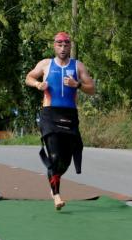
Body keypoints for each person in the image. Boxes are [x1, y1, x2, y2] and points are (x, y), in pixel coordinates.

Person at [25, 32, 95, 210]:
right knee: (55, 156)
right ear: (54, 46)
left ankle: (53, 180)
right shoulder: (46, 64)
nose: (63, 48)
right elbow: (29, 77)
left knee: (65, 161)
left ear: (70, 46)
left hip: (70, 115)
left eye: (66, 45)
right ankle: (56, 195)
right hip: (50, 114)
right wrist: (38, 84)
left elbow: (92, 89)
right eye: (59, 45)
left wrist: (77, 85)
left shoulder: (77, 66)